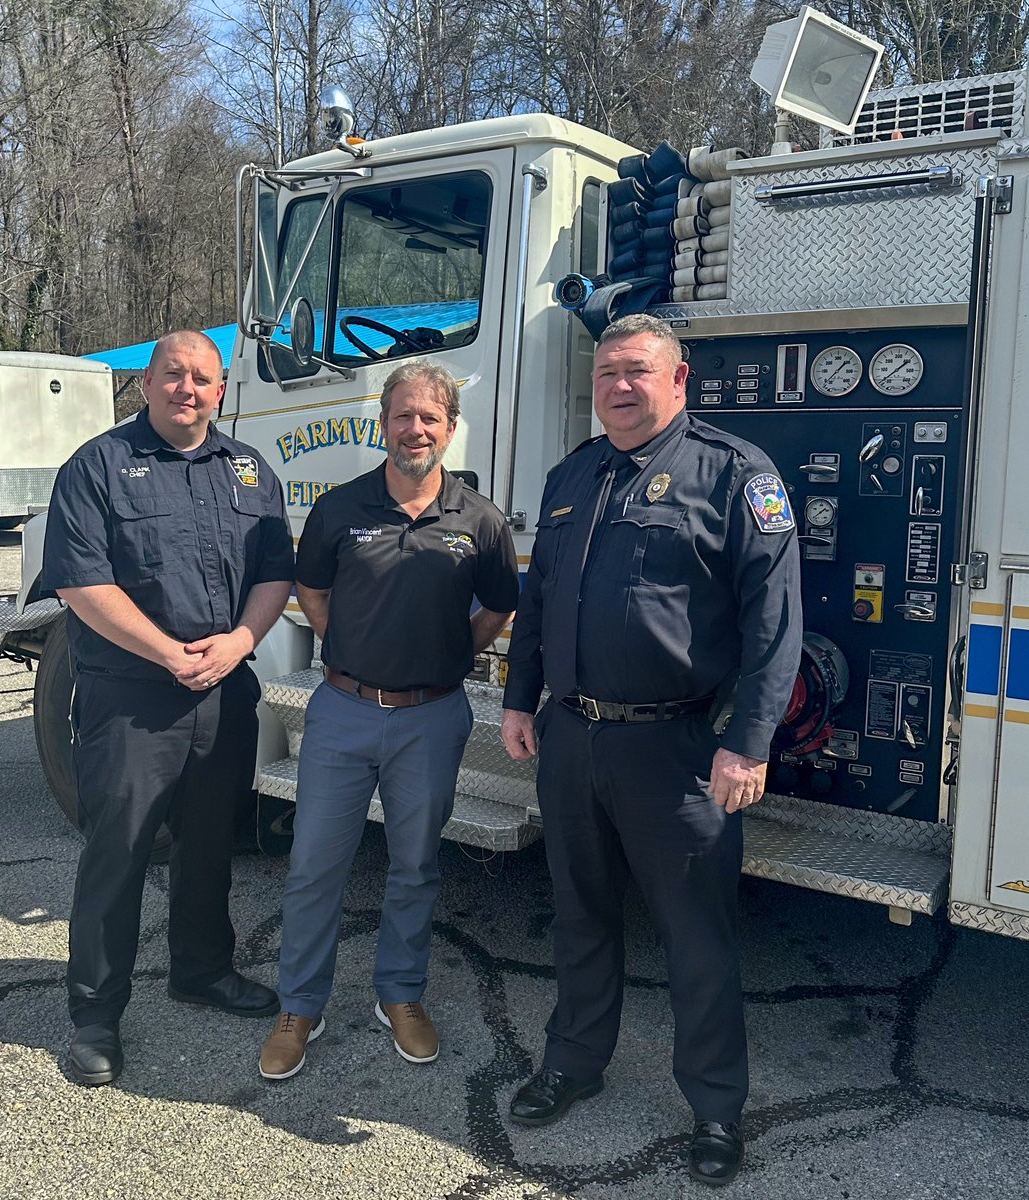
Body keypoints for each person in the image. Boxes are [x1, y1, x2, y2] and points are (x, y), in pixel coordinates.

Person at [500, 313, 802, 1186]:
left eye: (637, 372)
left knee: (696, 936)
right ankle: (573, 1062)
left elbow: (774, 624)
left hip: (677, 750)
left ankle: (714, 1110)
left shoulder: (736, 475)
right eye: (606, 375)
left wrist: (746, 744)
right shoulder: (573, 474)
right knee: (579, 912)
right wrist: (522, 699)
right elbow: (540, 594)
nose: (619, 388)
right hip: (572, 737)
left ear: (680, 379)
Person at [41, 330, 295, 1087]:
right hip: (133, 700)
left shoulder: (251, 471)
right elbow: (80, 584)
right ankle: (95, 1012)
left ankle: (203, 970)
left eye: (204, 379)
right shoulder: (98, 469)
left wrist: (241, 642)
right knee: (117, 851)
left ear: (222, 391)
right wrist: (168, 653)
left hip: (225, 692)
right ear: (146, 384)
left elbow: (275, 574)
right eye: (174, 374)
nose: (190, 388)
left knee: (212, 841)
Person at [259, 361, 519, 1080]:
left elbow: (500, 606)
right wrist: (349, 651)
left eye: (430, 418)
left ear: (450, 427)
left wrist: (449, 653)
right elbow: (311, 589)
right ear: (384, 424)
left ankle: (400, 995)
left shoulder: (480, 520)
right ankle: (299, 1006)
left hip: (432, 720)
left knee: (415, 866)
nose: (416, 430)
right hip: (342, 711)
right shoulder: (340, 509)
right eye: (403, 416)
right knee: (315, 866)